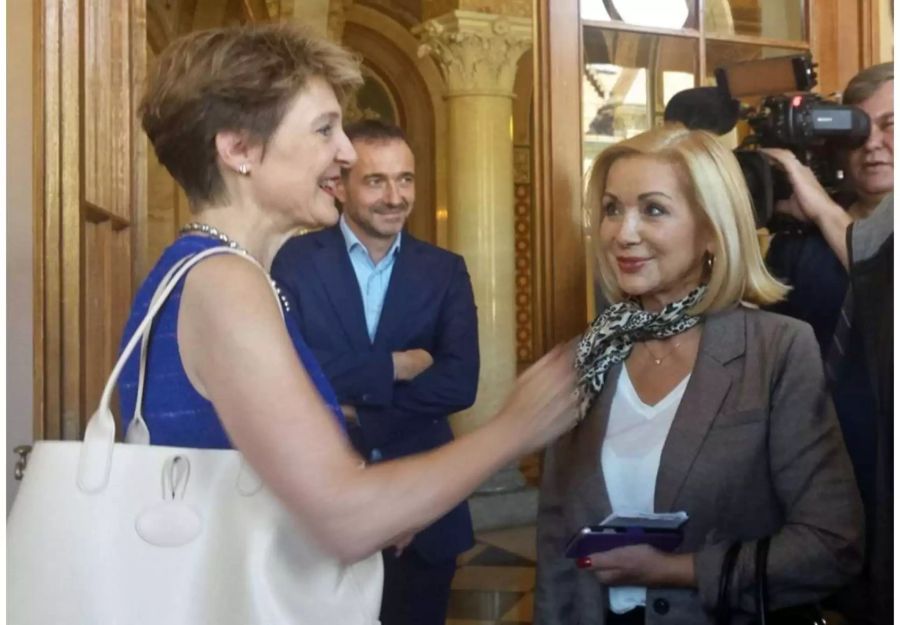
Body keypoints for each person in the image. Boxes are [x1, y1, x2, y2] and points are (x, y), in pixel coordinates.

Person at [117, 22, 578, 619]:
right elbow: (345, 518)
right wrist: (514, 428)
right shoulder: (226, 282)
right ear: (238, 150)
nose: (346, 152)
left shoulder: (212, 270)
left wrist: (387, 496)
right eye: (323, 129)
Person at [533, 125, 864, 625]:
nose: (623, 232)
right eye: (612, 208)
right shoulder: (587, 354)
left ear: (712, 229)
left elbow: (832, 542)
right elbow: (557, 543)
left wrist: (680, 570)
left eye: (653, 209)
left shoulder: (777, 349)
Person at [270, 119, 478, 625]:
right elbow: (289, 370)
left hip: (424, 512)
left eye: (405, 179)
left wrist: (359, 412)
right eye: (376, 180)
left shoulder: (444, 270)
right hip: (320, 507)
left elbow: (459, 381)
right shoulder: (292, 262)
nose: (395, 196)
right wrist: (396, 366)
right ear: (339, 186)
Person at [761, 63, 893, 625]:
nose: (874, 145)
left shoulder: (828, 220)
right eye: (857, 131)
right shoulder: (800, 242)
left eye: (891, 126)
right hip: (808, 458)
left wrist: (819, 205)